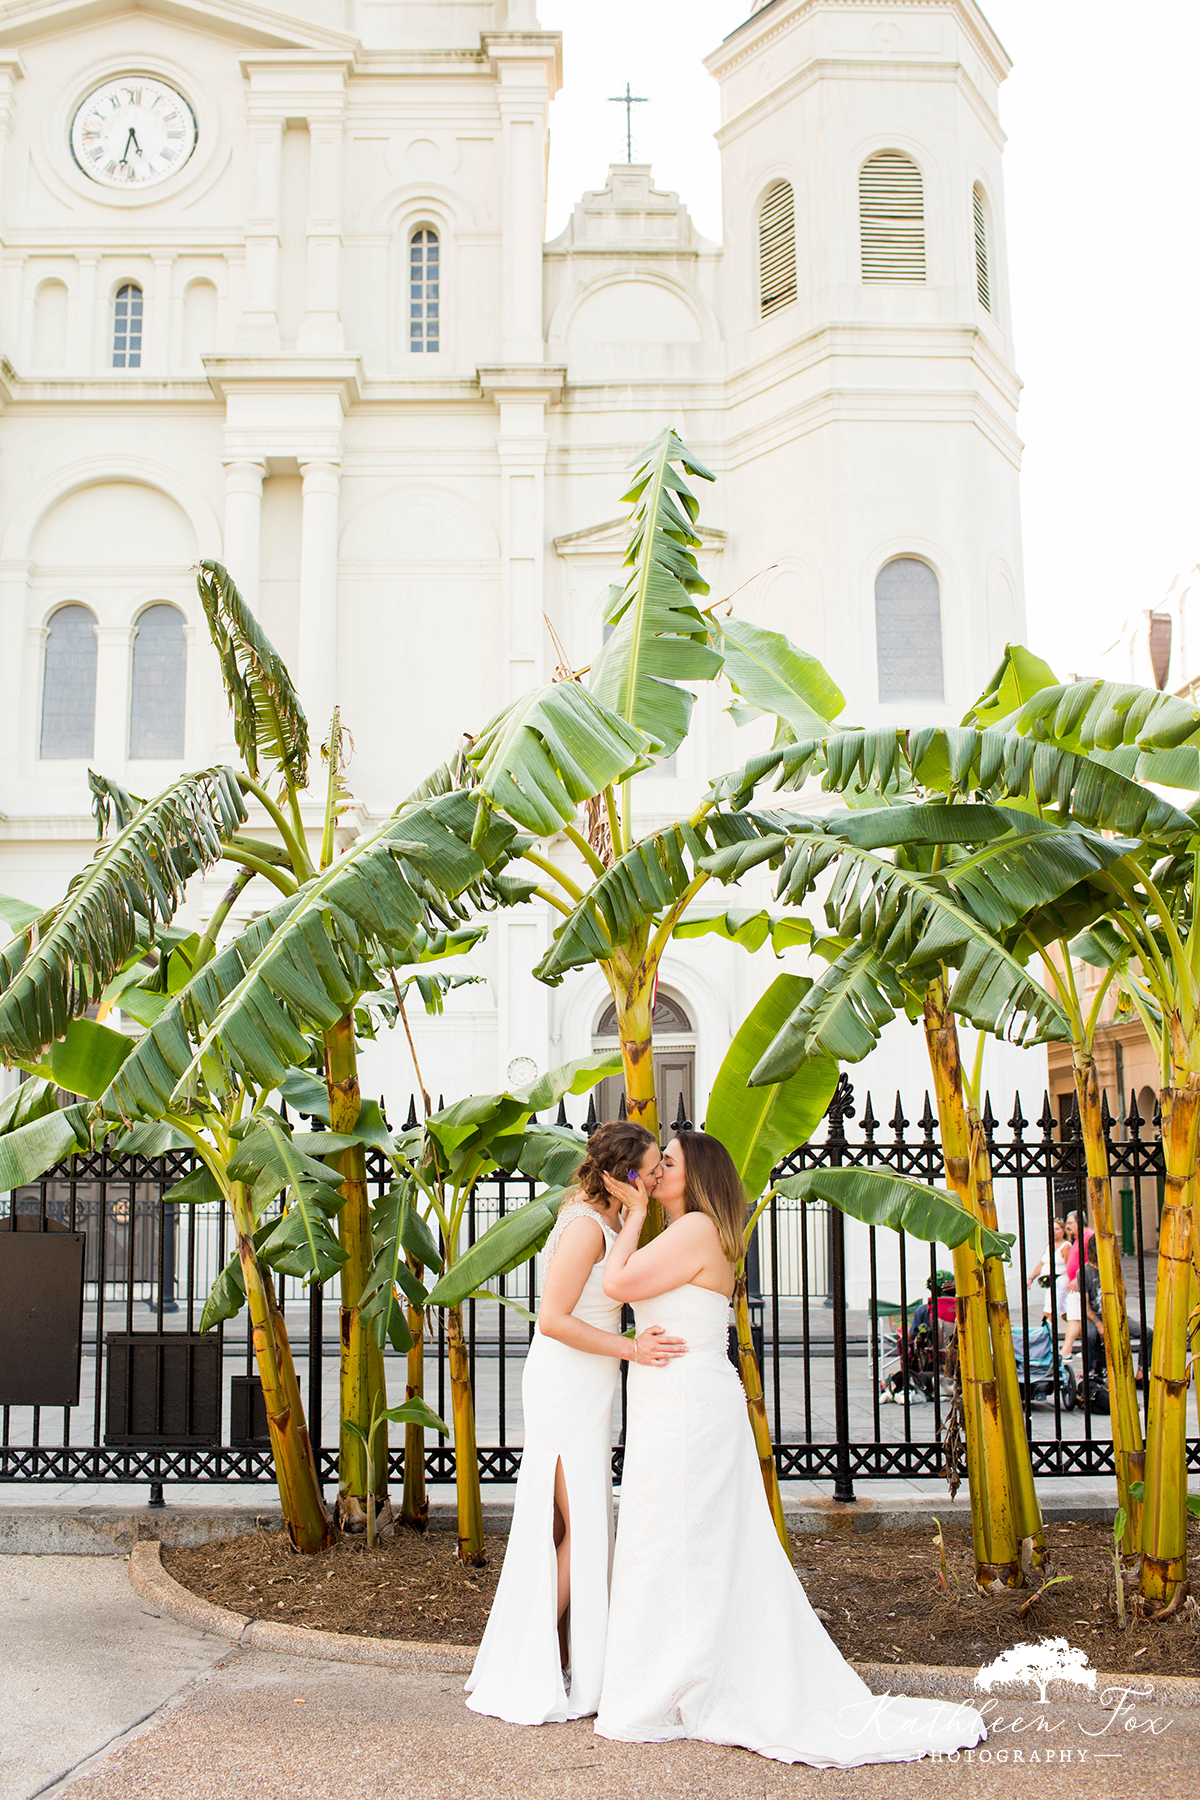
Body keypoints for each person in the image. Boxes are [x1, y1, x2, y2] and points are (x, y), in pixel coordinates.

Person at [592, 1131, 987, 1768]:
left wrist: (632, 1215)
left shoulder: (692, 1229)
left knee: (677, 1535)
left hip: (689, 1403)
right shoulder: (689, 1230)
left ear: (696, 1178)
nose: (655, 1167)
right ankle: (679, 1675)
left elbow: (619, 1285)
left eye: (669, 1160)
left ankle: (673, 1682)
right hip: (678, 1397)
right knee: (674, 1536)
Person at [465, 1120, 687, 1726]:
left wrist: (639, 1216)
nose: (658, 1177)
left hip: (591, 1388)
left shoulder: (613, 1219)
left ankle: (564, 1656)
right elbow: (553, 1319)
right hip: (566, 1383)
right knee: (576, 1527)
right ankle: (529, 1657)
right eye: (649, 1169)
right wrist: (632, 1350)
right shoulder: (587, 1227)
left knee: (579, 1524)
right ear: (623, 1176)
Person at [1061, 1211, 1096, 1359]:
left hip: (1080, 1284)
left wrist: (1078, 1277)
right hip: (1074, 1283)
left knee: (1074, 1317)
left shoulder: (1088, 1237)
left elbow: (1091, 1258)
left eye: (1070, 1223)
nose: (1067, 1226)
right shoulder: (1077, 1239)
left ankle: (1066, 1350)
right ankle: (1088, 1347)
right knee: (1074, 1317)